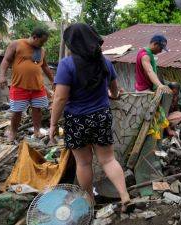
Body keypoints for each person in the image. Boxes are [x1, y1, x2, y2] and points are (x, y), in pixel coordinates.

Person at [49, 23, 130, 207]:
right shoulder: (105, 62)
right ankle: (124, 195)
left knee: (84, 163)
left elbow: (60, 98)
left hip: (76, 120)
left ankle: (89, 200)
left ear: (71, 43)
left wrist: (53, 124)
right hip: (101, 116)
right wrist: (113, 95)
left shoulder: (66, 65)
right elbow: (115, 91)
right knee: (108, 159)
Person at [0, 28, 54, 141]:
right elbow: (6, 60)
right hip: (19, 86)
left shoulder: (41, 50)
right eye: (41, 41)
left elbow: (45, 67)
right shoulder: (16, 44)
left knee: (37, 110)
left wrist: (53, 81)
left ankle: (37, 131)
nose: (43, 44)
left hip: (38, 87)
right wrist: (2, 76)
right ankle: (13, 132)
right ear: (34, 37)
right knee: (17, 111)